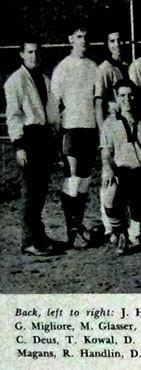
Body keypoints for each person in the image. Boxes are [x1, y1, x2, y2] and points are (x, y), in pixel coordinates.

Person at [4, 38, 58, 256]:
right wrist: (19, 145)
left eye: (36, 52)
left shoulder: (44, 79)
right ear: (22, 54)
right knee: (30, 192)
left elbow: (51, 110)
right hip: (28, 138)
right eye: (29, 52)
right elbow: (13, 115)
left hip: (44, 138)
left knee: (41, 191)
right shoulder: (15, 81)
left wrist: (55, 133)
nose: (34, 56)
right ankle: (28, 241)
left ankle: (39, 235)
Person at [51, 24, 98, 249]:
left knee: (85, 182)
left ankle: (78, 225)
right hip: (71, 129)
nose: (83, 41)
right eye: (79, 37)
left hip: (90, 129)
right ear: (71, 39)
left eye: (86, 37)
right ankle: (72, 229)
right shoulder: (62, 68)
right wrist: (58, 132)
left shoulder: (93, 66)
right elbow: (54, 103)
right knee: (73, 179)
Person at [100, 80, 141, 255]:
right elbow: (106, 152)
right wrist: (108, 169)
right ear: (116, 97)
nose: (127, 99)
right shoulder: (109, 123)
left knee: (140, 219)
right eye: (122, 95)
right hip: (121, 171)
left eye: (130, 94)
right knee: (109, 195)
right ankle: (120, 232)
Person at [95, 28, 129, 240]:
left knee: (125, 176)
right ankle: (110, 228)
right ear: (108, 44)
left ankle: (124, 222)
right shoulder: (105, 69)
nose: (118, 44)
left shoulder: (124, 67)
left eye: (121, 40)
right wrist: (102, 134)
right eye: (113, 41)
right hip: (111, 128)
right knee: (109, 176)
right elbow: (99, 103)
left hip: (124, 128)